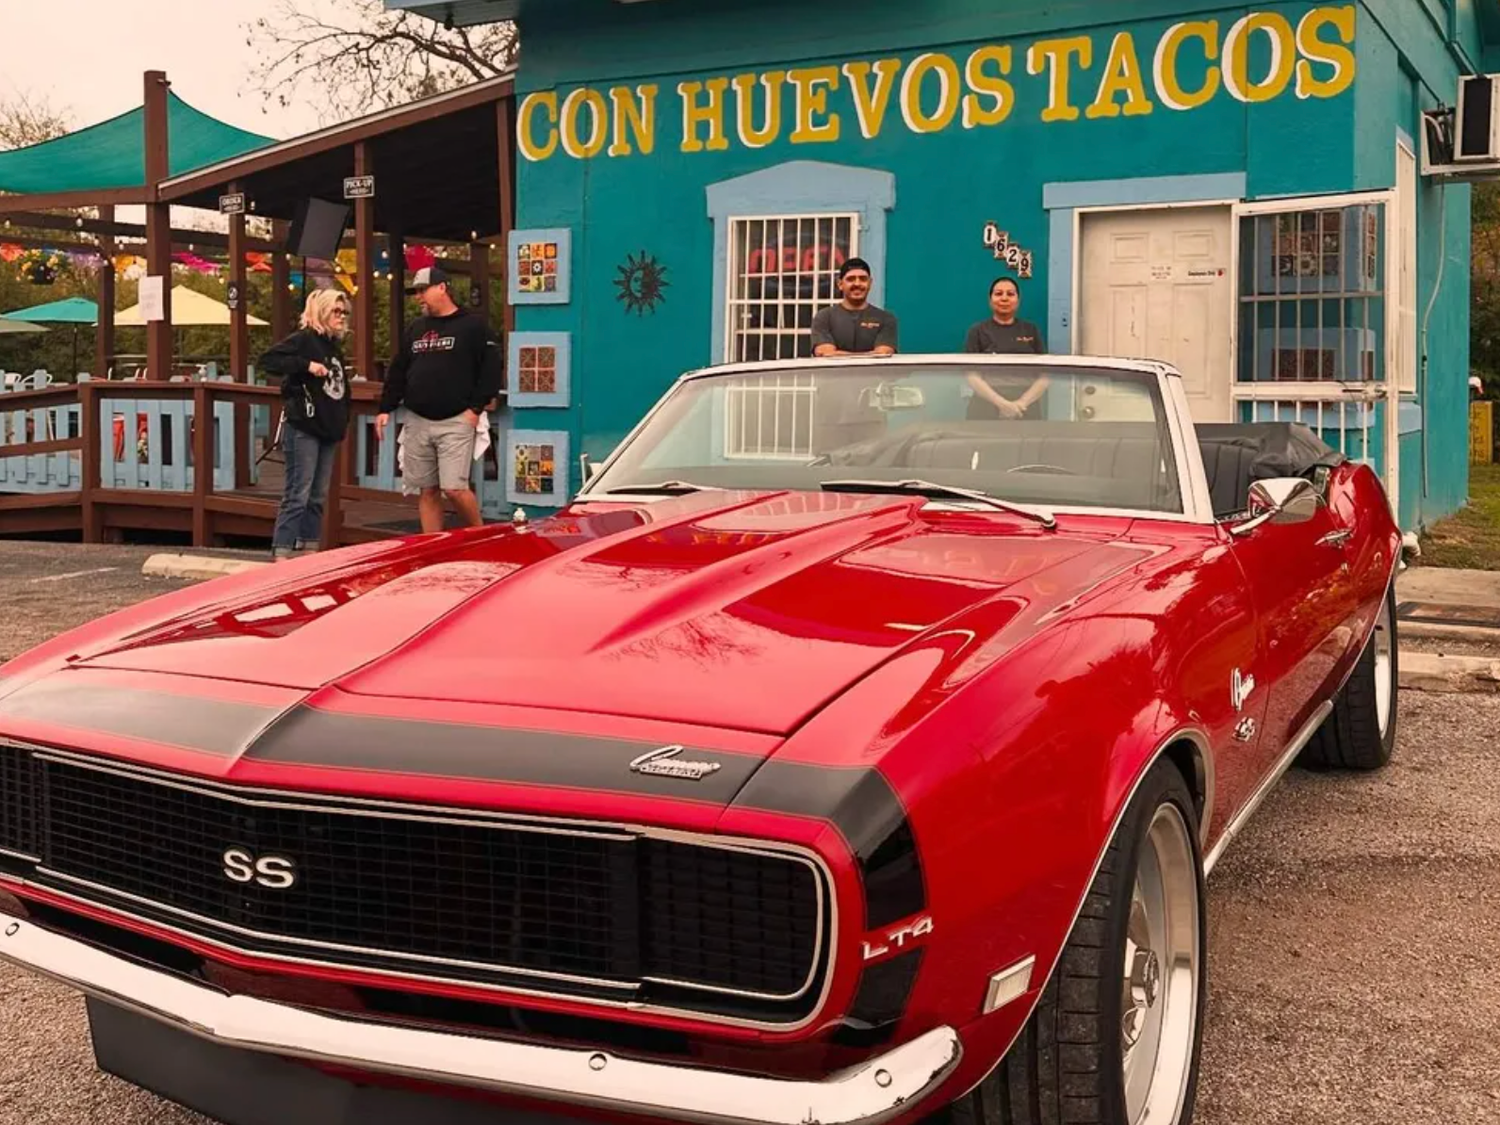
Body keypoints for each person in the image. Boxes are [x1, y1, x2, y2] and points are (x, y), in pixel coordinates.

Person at [376, 265, 504, 533]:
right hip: (418, 419)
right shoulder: (415, 328)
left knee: (455, 487)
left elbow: (492, 368)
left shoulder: (473, 325)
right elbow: (399, 368)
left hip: (457, 418)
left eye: (423, 290)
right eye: (416, 292)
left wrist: (475, 409)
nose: (418, 297)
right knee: (428, 489)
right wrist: (385, 407)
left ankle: (480, 536)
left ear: (442, 288)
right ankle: (431, 544)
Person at [258, 289, 351, 560]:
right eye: (336, 311)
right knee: (298, 492)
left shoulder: (334, 347)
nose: (342, 317)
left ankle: (309, 548)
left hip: (328, 428)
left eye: (344, 312)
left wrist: (342, 420)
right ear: (322, 311)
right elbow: (268, 361)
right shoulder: (304, 340)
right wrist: (306, 366)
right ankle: (282, 550)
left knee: (318, 495)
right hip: (304, 427)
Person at [963, 276, 1049, 420]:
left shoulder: (1030, 330)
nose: (1004, 298)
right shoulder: (977, 331)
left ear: (1018, 300)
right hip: (985, 406)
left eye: (1010, 294)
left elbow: (1046, 375)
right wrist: (1002, 404)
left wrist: (1021, 403)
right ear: (990, 300)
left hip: (1025, 408)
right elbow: (971, 375)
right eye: (998, 294)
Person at [810, 258, 898, 356]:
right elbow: (826, 354)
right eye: (850, 279)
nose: (857, 284)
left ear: (870, 283)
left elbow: (883, 354)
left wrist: (838, 354)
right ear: (840, 284)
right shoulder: (824, 317)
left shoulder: (886, 319)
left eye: (863, 279)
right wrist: (870, 355)